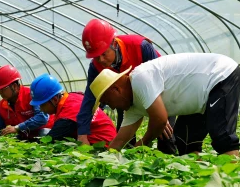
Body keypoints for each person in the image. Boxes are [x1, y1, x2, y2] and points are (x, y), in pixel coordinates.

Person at [90, 53, 240, 157]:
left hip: (219, 74)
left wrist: (141, 144)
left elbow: (160, 120)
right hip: (198, 98)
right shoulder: (133, 107)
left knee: (222, 137)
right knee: (185, 142)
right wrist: (105, 159)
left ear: (116, 89)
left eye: (109, 102)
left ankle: (232, 184)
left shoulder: (140, 78)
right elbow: (120, 141)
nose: (113, 108)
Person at [76, 18, 177, 154]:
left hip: (161, 94)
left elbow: (161, 79)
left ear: (113, 43)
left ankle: (171, 169)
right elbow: (90, 99)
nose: (101, 60)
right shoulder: (95, 67)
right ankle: (125, 169)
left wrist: (161, 116)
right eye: (96, 56)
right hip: (125, 99)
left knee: (165, 135)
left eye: (104, 54)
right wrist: (82, 133)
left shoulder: (140, 46)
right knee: (124, 138)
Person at [29, 73, 116, 144]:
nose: (40, 109)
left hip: (103, 147)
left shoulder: (68, 114)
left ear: (55, 99)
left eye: (42, 104)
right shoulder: (72, 98)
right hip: (106, 140)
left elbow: (50, 140)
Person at [0, 65, 53, 140]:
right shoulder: (2, 106)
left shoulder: (31, 95)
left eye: (3, 89)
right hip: (27, 136)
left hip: (47, 133)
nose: (1, 92)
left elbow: (42, 118)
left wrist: (17, 128)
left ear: (14, 86)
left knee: (43, 134)